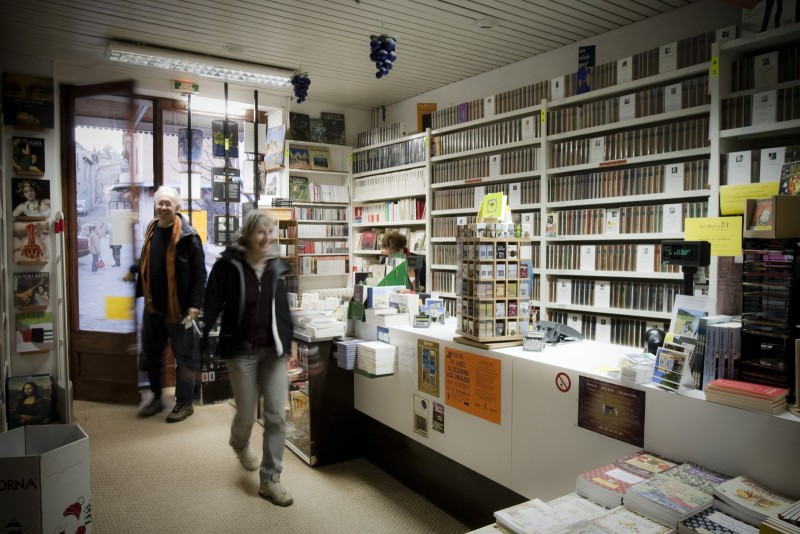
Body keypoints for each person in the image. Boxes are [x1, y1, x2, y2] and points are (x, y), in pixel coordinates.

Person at [201, 210, 294, 506]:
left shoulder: (277, 268)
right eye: (260, 232)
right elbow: (212, 302)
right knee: (246, 412)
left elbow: (283, 310)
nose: (267, 238)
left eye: (271, 232)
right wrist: (203, 338)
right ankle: (239, 443)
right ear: (248, 235)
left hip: (273, 352)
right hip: (241, 351)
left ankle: (270, 480)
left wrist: (291, 343)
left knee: (276, 416)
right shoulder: (229, 265)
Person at [124, 186, 206, 423]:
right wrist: (133, 271)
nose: (163, 207)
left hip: (181, 310)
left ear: (177, 208)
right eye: (160, 203)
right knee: (151, 355)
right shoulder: (151, 230)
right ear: (155, 206)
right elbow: (148, 260)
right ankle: (157, 398)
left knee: (185, 357)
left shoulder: (188, 236)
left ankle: (184, 403)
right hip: (153, 308)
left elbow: (200, 274)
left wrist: (194, 306)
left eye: (168, 203)